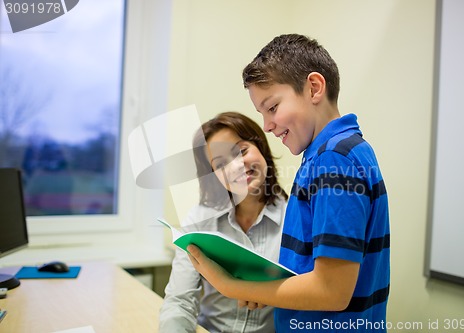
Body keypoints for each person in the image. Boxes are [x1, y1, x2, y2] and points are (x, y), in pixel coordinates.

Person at [187, 34, 390, 332]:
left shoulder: (333, 159)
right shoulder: (337, 151)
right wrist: (270, 291)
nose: (267, 126)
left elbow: (332, 291)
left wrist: (233, 286)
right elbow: (318, 275)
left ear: (314, 88)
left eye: (272, 108)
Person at [159, 112, 288, 333]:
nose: (235, 166)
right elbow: (180, 301)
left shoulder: (297, 218)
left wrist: (273, 293)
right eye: (220, 165)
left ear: (262, 149)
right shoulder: (199, 220)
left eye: (241, 151)